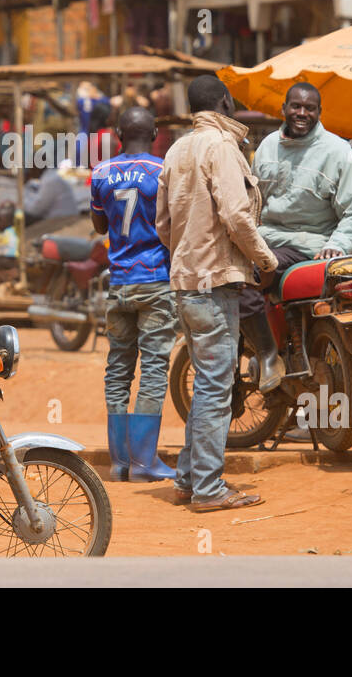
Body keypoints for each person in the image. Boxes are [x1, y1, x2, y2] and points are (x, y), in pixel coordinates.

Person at [157, 75, 277, 513]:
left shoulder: (175, 150)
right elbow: (236, 215)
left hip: (186, 282)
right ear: (225, 102)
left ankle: (189, 480)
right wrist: (265, 260)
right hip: (216, 284)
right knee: (214, 386)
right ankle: (208, 489)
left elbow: (163, 227)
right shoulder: (222, 147)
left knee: (209, 383)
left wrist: (189, 257)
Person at [243, 82, 352, 393]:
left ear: (319, 112)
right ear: (284, 109)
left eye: (310, 108)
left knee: (245, 277)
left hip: (311, 247)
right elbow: (252, 203)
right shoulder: (266, 147)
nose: (302, 113)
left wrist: (337, 245)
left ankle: (267, 356)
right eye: (296, 106)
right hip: (265, 239)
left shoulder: (338, 151)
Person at [91, 106, 175, 483]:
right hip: (155, 280)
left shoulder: (101, 173)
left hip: (119, 282)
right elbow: (171, 224)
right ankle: (144, 464)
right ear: (155, 133)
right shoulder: (163, 172)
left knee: (118, 369)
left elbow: (99, 224)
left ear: (118, 134)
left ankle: (119, 462)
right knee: (154, 368)